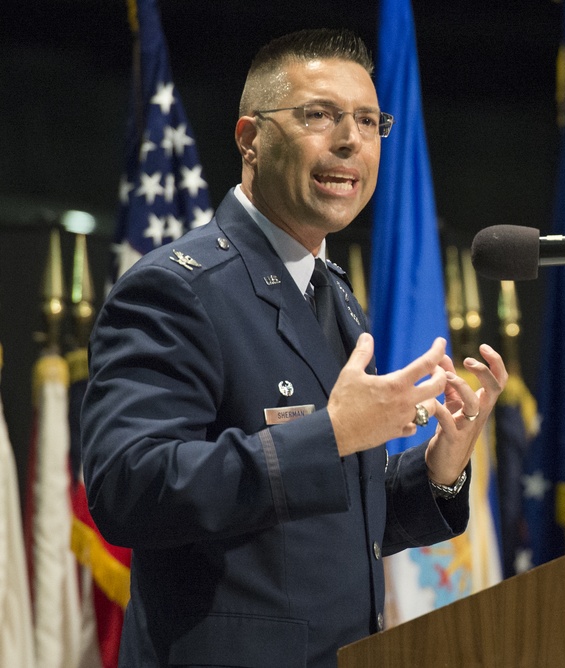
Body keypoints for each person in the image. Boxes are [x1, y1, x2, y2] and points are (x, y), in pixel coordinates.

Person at [82, 28, 506, 666]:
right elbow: (128, 488)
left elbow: (319, 522)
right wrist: (330, 433)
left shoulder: (331, 291)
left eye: (367, 120)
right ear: (250, 139)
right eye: (319, 115)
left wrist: (438, 471)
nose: (349, 140)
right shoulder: (176, 290)